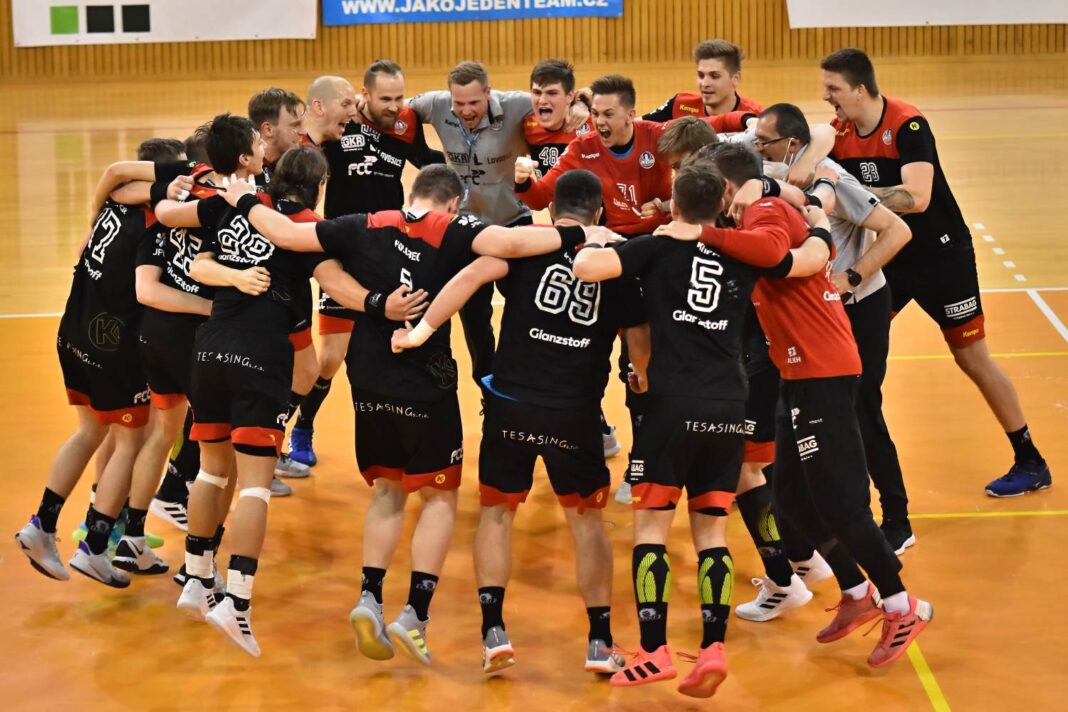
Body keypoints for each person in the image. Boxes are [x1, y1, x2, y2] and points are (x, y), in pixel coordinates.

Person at [233, 164, 612, 666]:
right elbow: (508, 244)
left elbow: (286, 235)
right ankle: (415, 614)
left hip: (368, 378)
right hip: (427, 383)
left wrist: (242, 200)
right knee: (439, 496)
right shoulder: (455, 230)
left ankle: (369, 596)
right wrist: (581, 234)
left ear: (413, 193)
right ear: (453, 204)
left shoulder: (363, 223)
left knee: (387, 490)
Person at [661, 142, 934, 670]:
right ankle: (856, 593)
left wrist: (702, 233)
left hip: (822, 370)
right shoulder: (765, 205)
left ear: (725, 188)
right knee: (788, 497)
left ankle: (904, 607)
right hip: (797, 370)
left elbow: (771, 252)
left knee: (841, 503)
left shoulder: (763, 212)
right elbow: (802, 212)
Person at [573, 157, 833, 697]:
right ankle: (713, 647)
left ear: (674, 202)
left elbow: (587, 270)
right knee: (711, 531)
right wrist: (818, 216)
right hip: (729, 404)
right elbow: (807, 258)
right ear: (722, 204)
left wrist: (598, 239)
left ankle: (654, 651)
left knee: (651, 528)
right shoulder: (740, 250)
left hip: (671, 405)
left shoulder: (656, 247)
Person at [392, 170, 648, 676]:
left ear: (551, 211)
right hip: (574, 411)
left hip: (510, 404)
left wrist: (419, 332)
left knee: (496, 512)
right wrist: (642, 377)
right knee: (586, 521)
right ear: (600, 213)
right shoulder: (616, 261)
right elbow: (639, 343)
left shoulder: (528, 247)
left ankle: (494, 633)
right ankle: (599, 642)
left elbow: (468, 277)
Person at [821, 48, 1051, 497]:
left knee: (972, 358)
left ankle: (1030, 459)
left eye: (833, 88)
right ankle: (842, 462)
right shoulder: (840, 131)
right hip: (889, 258)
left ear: (860, 89)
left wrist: (852, 195)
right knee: (848, 345)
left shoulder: (907, 124)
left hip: (942, 259)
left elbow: (918, 197)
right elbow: (813, 154)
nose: (827, 97)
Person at [15, 139, 192, 587]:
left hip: (73, 329)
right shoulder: (156, 220)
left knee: (91, 431)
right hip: (111, 345)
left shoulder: (116, 201)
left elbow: (115, 176)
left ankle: (42, 525)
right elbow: (149, 290)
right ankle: (95, 547)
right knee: (132, 441)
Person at [753, 102, 915, 554]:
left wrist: (851, 278)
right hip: (821, 315)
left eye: (765, 142)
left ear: (791, 144)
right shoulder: (777, 173)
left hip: (861, 307)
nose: (758, 148)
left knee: (862, 410)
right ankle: (824, 516)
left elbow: (898, 231)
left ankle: (896, 518)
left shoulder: (834, 181)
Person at [290, 60, 442, 466]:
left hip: (391, 250)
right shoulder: (342, 125)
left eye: (399, 98)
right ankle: (303, 425)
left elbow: (426, 160)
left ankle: (403, 435)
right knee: (330, 359)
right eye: (385, 98)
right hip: (344, 249)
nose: (394, 106)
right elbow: (308, 141)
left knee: (398, 349)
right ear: (365, 95)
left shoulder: (405, 123)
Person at [408, 61, 589, 383]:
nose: (466, 110)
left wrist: (582, 104)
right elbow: (394, 108)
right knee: (474, 319)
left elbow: (562, 98)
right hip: (467, 229)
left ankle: (524, 380)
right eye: (459, 103)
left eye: (474, 102)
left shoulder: (516, 104)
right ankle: (486, 387)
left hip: (513, 224)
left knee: (526, 307)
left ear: (488, 93)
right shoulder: (435, 104)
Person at [643, 39, 763, 122]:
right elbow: (638, 127)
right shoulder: (680, 105)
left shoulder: (758, 117)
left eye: (714, 76)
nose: (705, 83)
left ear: (735, 78)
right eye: (701, 75)